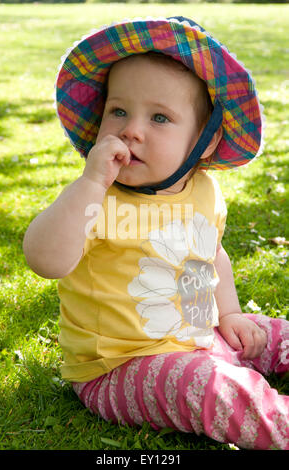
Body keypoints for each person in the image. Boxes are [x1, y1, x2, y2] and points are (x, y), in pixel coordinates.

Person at [23, 16, 289, 450]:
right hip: (121, 368)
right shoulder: (96, 198)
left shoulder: (205, 190)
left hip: (204, 339)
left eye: (160, 117)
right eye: (119, 111)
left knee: (272, 334)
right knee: (208, 387)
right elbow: (44, 260)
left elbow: (212, 254)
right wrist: (90, 185)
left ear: (203, 143)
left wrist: (231, 316)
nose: (131, 129)